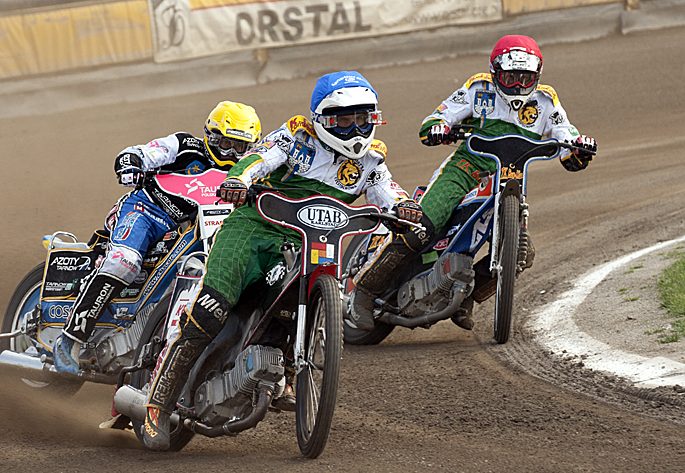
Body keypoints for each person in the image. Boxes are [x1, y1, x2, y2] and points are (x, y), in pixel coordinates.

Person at [137, 71, 420, 450]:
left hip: (306, 241)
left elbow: (387, 189)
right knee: (211, 309)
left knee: (294, 299)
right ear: (322, 120)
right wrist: (238, 179)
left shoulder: (371, 158)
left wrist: (405, 207)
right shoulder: (296, 135)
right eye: (343, 120)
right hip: (252, 231)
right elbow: (258, 158)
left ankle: (286, 368)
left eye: (362, 118)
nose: (355, 129)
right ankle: (157, 404)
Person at [349, 34, 598, 332]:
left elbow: (568, 141)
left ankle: (465, 297)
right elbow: (434, 120)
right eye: (510, 77)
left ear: (537, 75)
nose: (518, 85)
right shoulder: (477, 88)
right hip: (464, 169)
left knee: (522, 252)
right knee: (422, 227)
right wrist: (440, 128)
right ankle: (364, 294)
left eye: (525, 78)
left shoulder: (546, 100)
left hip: (510, 177)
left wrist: (580, 149)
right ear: (495, 73)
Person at [52, 101, 262, 374]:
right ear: (211, 136)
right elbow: (139, 153)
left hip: (190, 229)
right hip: (146, 211)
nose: (232, 152)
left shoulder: (247, 172)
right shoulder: (184, 145)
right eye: (226, 143)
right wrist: (132, 163)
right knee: (124, 262)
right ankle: (70, 339)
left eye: (240, 147)